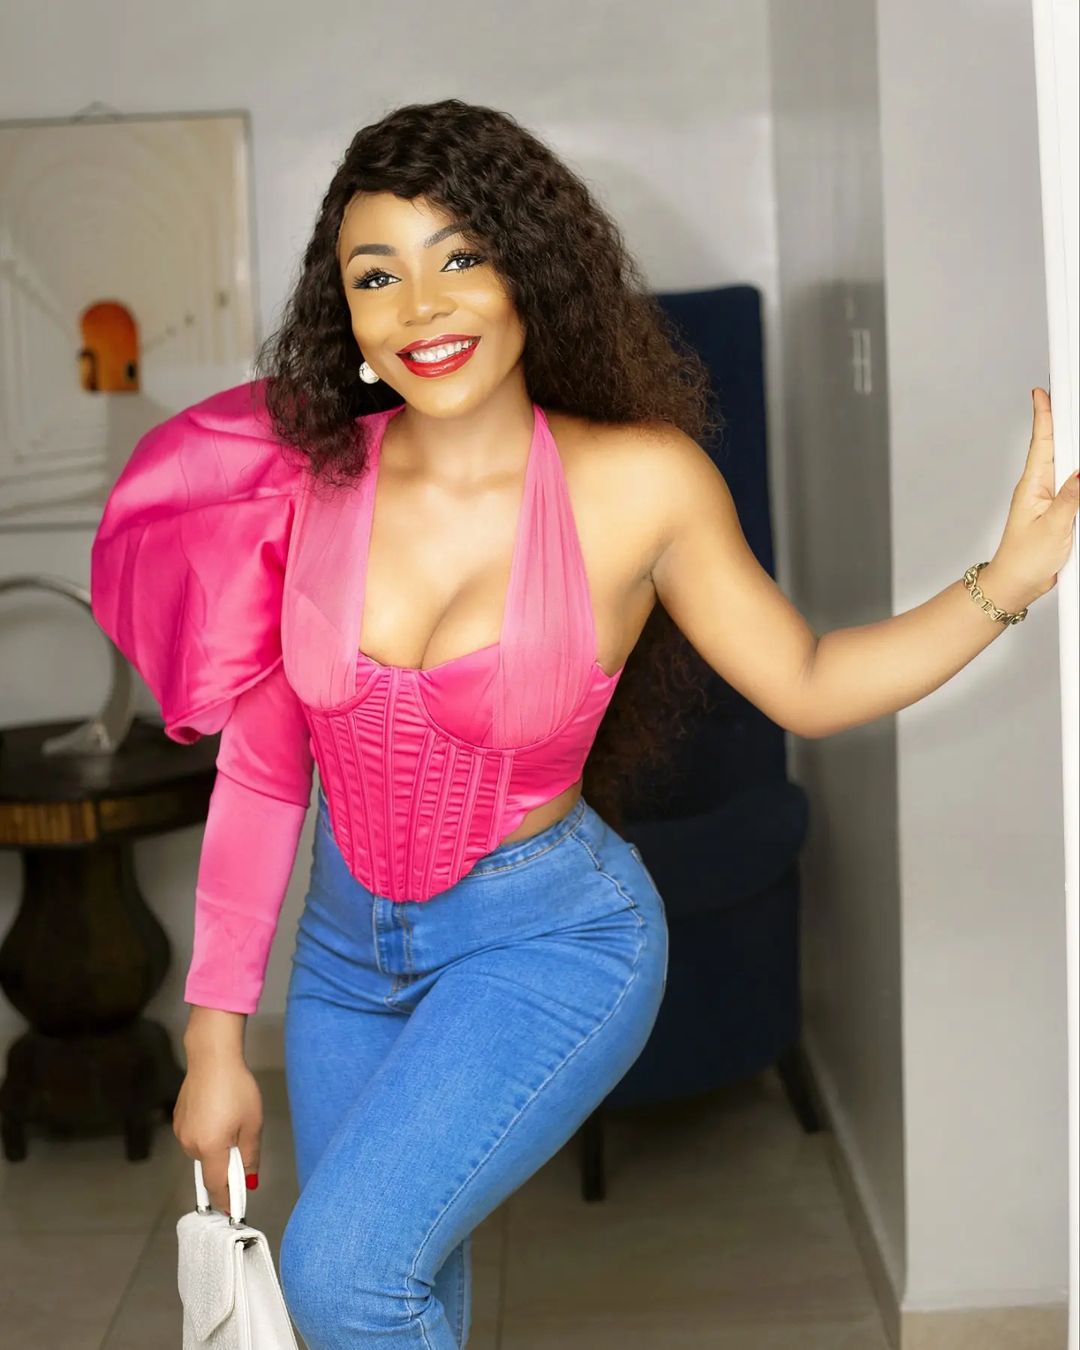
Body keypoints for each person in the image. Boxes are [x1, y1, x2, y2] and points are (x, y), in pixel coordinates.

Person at [89, 99, 1078, 1349]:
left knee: (340, 1276)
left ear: (527, 270)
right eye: (377, 275)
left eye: (460, 256)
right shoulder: (309, 474)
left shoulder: (641, 483)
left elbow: (810, 680)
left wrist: (1006, 584)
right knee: (383, 1302)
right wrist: (215, 1037)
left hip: (550, 940)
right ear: (345, 309)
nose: (421, 307)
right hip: (342, 959)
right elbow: (268, 774)